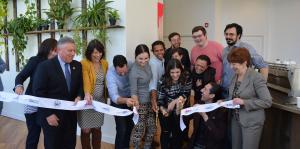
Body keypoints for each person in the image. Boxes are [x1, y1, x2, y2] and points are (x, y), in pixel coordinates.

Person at [32, 37, 83, 149]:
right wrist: (48, 114)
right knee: (53, 145)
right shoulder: (45, 66)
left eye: (74, 50)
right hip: (52, 117)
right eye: (70, 50)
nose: (73, 53)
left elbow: (80, 86)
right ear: (59, 50)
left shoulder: (77, 66)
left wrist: (79, 96)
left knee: (70, 145)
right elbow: (38, 92)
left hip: (70, 117)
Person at [14, 38, 57, 149]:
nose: (54, 53)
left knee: (50, 137)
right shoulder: (35, 61)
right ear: (45, 49)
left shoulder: (58, 64)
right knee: (33, 135)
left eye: (56, 50)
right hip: (33, 104)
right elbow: (21, 76)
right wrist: (19, 86)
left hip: (48, 105)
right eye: (52, 49)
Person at [226, 47, 272, 149]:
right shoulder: (235, 76)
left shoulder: (256, 77)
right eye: (230, 63)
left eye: (234, 64)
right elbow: (234, 97)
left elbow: (267, 101)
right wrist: (223, 102)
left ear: (244, 62)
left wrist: (244, 102)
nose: (231, 67)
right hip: (236, 119)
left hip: (252, 122)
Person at [221, 23, 268, 99]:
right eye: (226, 34)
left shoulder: (247, 48)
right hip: (225, 92)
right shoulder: (224, 51)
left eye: (231, 34)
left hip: (240, 93)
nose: (228, 37)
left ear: (238, 35)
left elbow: (263, 66)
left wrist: (261, 87)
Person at [78, 39, 108, 149]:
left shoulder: (104, 63)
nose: (98, 55)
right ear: (90, 52)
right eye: (95, 52)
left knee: (97, 128)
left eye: (100, 52)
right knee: (86, 129)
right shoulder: (84, 63)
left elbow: (106, 81)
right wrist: (86, 93)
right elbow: (86, 79)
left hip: (100, 101)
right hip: (87, 101)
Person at [157, 59, 192, 149]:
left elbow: (186, 93)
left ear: (181, 70)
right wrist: (163, 110)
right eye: (172, 72)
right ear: (168, 71)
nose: (175, 75)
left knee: (177, 133)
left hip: (180, 109)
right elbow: (160, 99)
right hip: (165, 108)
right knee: (165, 132)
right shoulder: (163, 80)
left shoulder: (187, 77)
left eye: (177, 72)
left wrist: (174, 101)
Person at [129, 44, 155, 149]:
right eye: (140, 58)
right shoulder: (134, 71)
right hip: (140, 103)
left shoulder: (148, 65)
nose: (143, 61)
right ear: (135, 56)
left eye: (146, 58)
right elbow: (133, 90)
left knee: (152, 128)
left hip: (149, 101)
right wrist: (136, 105)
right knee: (139, 129)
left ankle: (147, 147)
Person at [106, 55, 135, 149]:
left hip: (131, 98)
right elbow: (114, 96)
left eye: (124, 71)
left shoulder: (132, 64)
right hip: (118, 101)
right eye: (120, 72)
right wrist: (125, 100)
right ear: (115, 68)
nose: (123, 74)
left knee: (130, 126)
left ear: (127, 65)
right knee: (121, 128)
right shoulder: (110, 74)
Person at [188, 82, 227, 149]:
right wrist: (180, 108)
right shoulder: (199, 103)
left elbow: (219, 136)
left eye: (205, 89)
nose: (201, 90)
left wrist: (204, 116)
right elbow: (186, 117)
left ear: (212, 96)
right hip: (194, 144)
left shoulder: (220, 111)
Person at [149, 40, 166, 148]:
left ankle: (152, 141)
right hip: (153, 95)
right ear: (152, 51)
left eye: (161, 50)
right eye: (156, 51)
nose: (159, 52)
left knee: (155, 121)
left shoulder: (163, 59)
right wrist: (154, 101)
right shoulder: (153, 63)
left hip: (160, 94)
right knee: (151, 121)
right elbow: (153, 84)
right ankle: (149, 143)